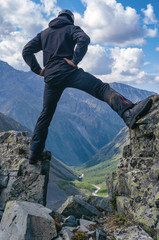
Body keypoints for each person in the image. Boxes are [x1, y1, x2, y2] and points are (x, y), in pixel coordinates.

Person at [22, 9, 152, 164]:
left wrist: (38, 70)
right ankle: (128, 113)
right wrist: (75, 61)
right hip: (68, 71)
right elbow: (84, 39)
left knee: (45, 114)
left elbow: (26, 51)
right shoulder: (71, 28)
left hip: (51, 77)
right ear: (71, 18)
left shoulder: (44, 34)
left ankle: (34, 153)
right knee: (101, 89)